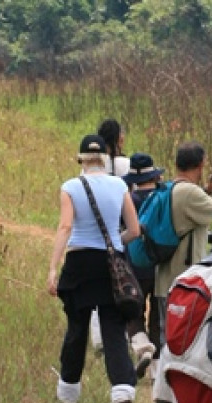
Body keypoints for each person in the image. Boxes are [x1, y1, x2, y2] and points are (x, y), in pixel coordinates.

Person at [47, 133, 141, 403]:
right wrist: (114, 245)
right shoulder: (119, 185)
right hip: (110, 264)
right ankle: (123, 394)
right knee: (113, 328)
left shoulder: (71, 186)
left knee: (77, 327)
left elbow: (65, 227)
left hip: (79, 262)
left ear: (81, 160)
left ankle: (69, 392)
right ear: (105, 159)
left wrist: (53, 267)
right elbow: (134, 230)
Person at [151, 141, 212, 403]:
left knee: (169, 338)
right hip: (183, 280)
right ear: (200, 165)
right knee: (182, 342)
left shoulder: (173, 188)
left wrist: (208, 190)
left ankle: (163, 398)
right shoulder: (189, 194)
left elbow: (193, 210)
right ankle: (173, 401)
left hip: (166, 276)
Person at [89, 119, 132, 356]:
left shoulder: (93, 165)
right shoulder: (126, 164)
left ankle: (98, 339)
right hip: (121, 230)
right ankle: (122, 333)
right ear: (119, 138)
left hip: (96, 228)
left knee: (98, 283)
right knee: (121, 281)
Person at [122, 152, 166, 379]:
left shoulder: (129, 199)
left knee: (133, 311)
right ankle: (157, 372)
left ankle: (142, 347)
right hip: (162, 265)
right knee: (159, 315)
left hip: (135, 265)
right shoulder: (164, 197)